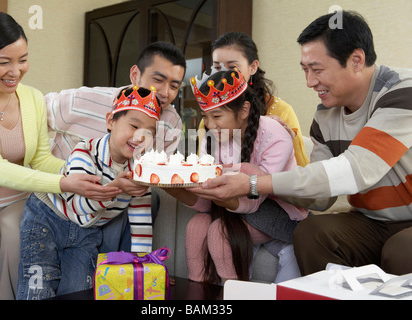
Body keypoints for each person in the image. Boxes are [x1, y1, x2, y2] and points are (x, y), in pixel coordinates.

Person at [191, 11, 412, 276]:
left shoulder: (401, 91)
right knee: (311, 233)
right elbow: (320, 198)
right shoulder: (325, 114)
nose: (309, 82)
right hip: (371, 222)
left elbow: (356, 169)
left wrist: (254, 182)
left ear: (356, 60)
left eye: (317, 70)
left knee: (400, 250)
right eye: (305, 70)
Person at [0, 12, 118, 300]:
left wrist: (88, 173)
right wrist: (65, 184)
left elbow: (42, 160)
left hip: (15, 198)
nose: (16, 71)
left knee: (17, 231)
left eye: (22, 59)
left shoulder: (32, 98)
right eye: (4, 62)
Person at [164, 68, 309, 284]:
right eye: (205, 117)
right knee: (196, 226)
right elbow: (206, 204)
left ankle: (233, 293)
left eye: (217, 116)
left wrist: (212, 189)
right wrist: (170, 186)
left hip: (276, 211)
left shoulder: (276, 136)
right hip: (233, 209)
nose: (210, 126)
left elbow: (254, 200)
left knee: (219, 232)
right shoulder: (211, 138)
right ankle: (198, 291)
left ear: (244, 110)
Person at [17, 86, 160, 299]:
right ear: (111, 121)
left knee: (81, 292)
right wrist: (116, 188)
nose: (140, 137)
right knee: (38, 290)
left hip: (86, 232)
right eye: (134, 126)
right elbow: (79, 206)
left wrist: (143, 266)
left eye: (149, 133)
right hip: (47, 219)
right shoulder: (84, 152)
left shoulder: (139, 170)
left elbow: (141, 223)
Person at [45, 41, 186, 253]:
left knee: (148, 196)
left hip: (116, 198)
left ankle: (129, 268)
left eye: (174, 86)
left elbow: (154, 171)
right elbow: (32, 112)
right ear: (135, 75)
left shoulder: (171, 122)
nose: (165, 93)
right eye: (158, 80)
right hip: (68, 195)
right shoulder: (82, 101)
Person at [197, 32, 309, 167]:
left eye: (232, 67)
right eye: (217, 68)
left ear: (253, 67)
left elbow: (301, 170)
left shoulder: (281, 112)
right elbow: (204, 168)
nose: (224, 75)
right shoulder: (212, 119)